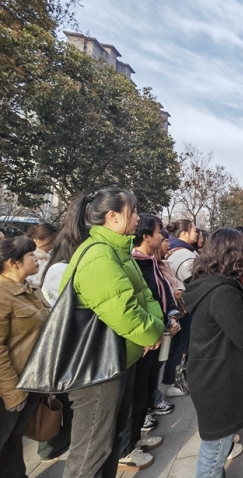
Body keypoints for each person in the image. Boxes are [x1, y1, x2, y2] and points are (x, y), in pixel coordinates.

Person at [61, 188, 165, 478]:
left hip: (119, 359)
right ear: (113, 216)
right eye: (133, 212)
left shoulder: (118, 251)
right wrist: (152, 333)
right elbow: (124, 311)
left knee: (109, 442)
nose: (138, 218)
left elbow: (144, 295)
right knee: (91, 452)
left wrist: (155, 327)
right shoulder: (98, 256)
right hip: (97, 368)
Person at [185, 228, 243, 477]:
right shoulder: (222, 292)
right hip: (218, 379)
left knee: (217, 442)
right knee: (215, 450)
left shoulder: (209, 282)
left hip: (211, 370)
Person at [118, 215, 180, 471]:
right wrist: (150, 331)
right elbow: (137, 303)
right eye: (158, 232)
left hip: (157, 333)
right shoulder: (133, 262)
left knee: (145, 389)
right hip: (142, 340)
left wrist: (171, 316)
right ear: (146, 236)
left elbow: (161, 294)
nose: (163, 237)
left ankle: (136, 439)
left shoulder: (152, 262)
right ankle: (125, 450)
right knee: (135, 394)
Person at [37, 199, 91, 462]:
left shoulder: (63, 268)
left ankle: (60, 443)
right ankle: (51, 447)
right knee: (61, 400)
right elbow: (73, 305)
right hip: (64, 342)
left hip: (70, 342)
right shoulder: (59, 270)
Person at [0, 236, 49, 478]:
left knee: (13, 437)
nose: (37, 258)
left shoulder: (29, 289)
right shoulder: (2, 296)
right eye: (31, 255)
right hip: (11, 386)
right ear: (13, 263)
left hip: (30, 380)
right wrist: (12, 393)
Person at [158, 229, 191, 399]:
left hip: (178, 311)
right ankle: (170, 382)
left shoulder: (163, 263)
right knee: (175, 347)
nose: (168, 244)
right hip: (168, 315)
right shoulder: (151, 265)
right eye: (164, 240)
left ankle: (174, 380)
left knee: (178, 346)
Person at [26, 222, 59, 290]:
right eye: (49, 242)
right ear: (35, 239)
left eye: (54, 242)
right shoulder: (27, 257)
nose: (52, 246)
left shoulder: (48, 257)